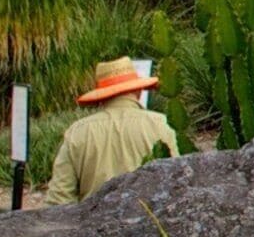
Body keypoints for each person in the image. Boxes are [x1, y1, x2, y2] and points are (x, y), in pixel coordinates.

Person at [46, 56, 182, 202]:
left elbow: (59, 197)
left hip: (92, 222)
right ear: (138, 90)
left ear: (101, 96)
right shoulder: (160, 124)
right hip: (148, 220)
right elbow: (176, 182)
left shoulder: (78, 132)